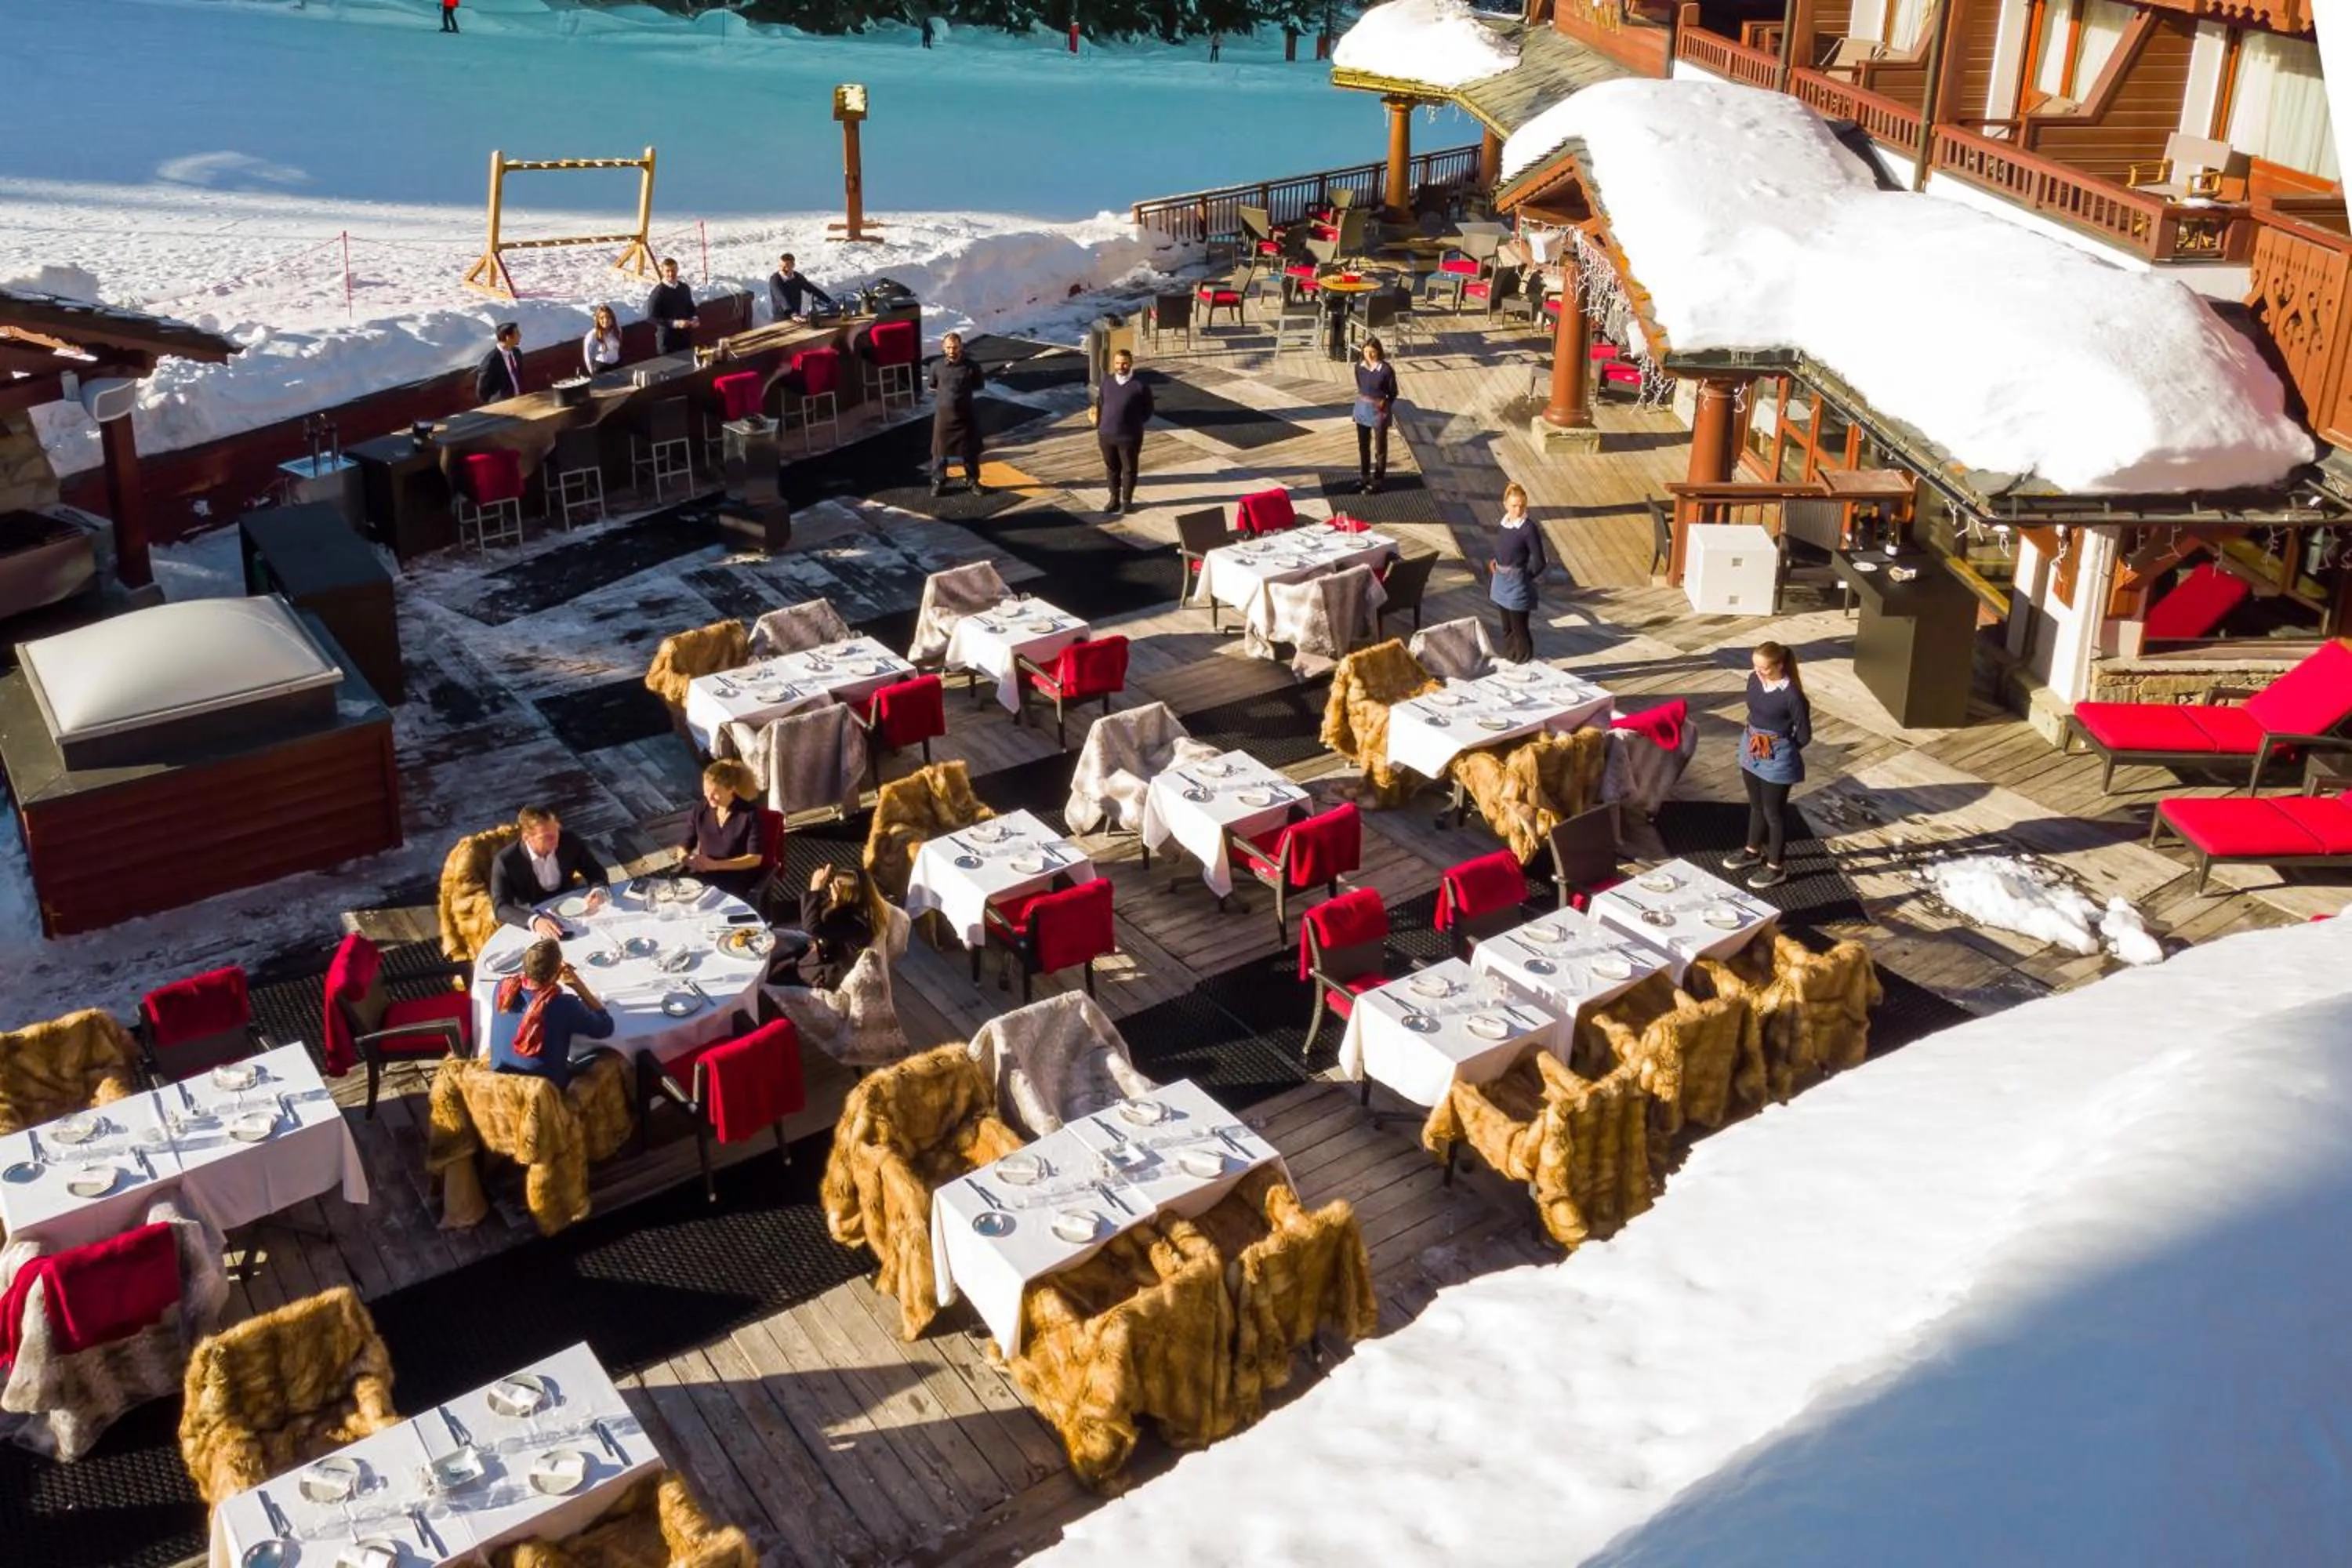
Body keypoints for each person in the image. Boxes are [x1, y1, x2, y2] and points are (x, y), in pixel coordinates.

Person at [1726, 640, 1810, 891]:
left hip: (1777, 753)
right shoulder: (1754, 680)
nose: (1758, 672)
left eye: (1764, 668)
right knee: (1756, 805)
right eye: (1756, 666)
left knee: (1774, 812)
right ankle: (1752, 851)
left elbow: (1804, 735)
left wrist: (1782, 748)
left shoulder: (1792, 696)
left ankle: (1776, 867)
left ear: (1780, 665)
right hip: (1751, 745)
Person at [488, 940, 615, 1093]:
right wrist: (578, 986)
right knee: (607, 1057)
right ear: (556, 974)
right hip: (544, 1093)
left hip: (502, 1085)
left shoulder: (502, 988)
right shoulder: (563, 1005)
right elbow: (605, 1027)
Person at [490, 805, 613, 939]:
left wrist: (598, 890)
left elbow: (594, 870)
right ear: (527, 838)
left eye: (556, 832)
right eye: (547, 837)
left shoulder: (569, 841)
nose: (556, 840)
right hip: (533, 917)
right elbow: (500, 907)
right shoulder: (506, 861)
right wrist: (534, 921)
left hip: (572, 909)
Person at [772, 864, 885, 986]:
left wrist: (815, 890)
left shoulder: (857, 924)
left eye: (835, 886)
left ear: (846, 893)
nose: (831, 886)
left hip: (824, 972)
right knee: (773, 935)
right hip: (818, 947)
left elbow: (812, 928)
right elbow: (811, 914)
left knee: (771, 983)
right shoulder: (849, 906)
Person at [680, 759, 769, 902]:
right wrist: (686, 859)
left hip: (735, 877)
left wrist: (716, 865)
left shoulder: (749, 815)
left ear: (731, 789)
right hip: (705, 875)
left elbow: (754, 859)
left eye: (715, 793)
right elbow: (684, 845)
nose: (709, 797)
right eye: (706, 791)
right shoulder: (701, 809)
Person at [1089, 347, 1153, 517]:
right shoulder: (1107, 382)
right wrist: (1100, 424)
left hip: (1129, 437)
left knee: (1129, 469)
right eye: (1117, 363)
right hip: (1106, 435)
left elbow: (1148, 410)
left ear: (1131, 363)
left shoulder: (1140, 386)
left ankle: (1127, 501)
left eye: (1124, 363)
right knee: (1112, 468)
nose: (1120, 367)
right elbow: (1101, 403)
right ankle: (1114, 498)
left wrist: (1133, 424)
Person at [1488, 481, 1547, 664]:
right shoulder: (1504, 524)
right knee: (1507, 628)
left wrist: (1524, 577)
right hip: (1500, 581)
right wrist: (1496, 562)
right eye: (1514, 506)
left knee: (1519, 629)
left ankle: (1523, 663)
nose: (1518, 510)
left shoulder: (1528, 529)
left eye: (1522, 506)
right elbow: (1506, 548)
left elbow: (1540, 561)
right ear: (1505, 504)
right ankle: (1509, 659)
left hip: (1517, 585)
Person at [927, 331, 989, 497]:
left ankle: (973, 481)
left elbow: (978, 385)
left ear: (961, 347)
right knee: (940, 453)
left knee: (970, 451)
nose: (951, 351)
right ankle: (938, 481)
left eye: (955, 347)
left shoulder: (972, 367)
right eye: (948, 348)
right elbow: (933, 385)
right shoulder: (936, 366)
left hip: (965, 416)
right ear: (943, 348)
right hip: (943, 417)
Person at [1352, 336, 1397, 495]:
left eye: (1372, 352)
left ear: (1379, 352)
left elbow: (1393, 392)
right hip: (1362, 407)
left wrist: (1384, 404)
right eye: (1366, 352)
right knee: (1363, 445)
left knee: (1380, 447)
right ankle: (1364, 476)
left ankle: (1378, 480)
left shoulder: (1386, 370)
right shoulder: (1359, 366)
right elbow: (1360, 385)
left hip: (1379, 410)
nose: (1369, 355)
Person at [645, 258, 699, 358]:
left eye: (673, 270)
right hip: (667, 341)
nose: (671, 274)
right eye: (668, 271)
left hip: (685, 338)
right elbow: (652, 318)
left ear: (677, 270)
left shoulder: (684, 288)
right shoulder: (658, 293)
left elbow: (690, 307)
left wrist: (695, 318)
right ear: (662, 272)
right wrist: (674, 323)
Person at [767, 253, 835, 324]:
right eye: (781, 266)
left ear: (793, 266)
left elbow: (813, 290)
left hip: (797, 316)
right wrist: (792, 314)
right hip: (782, 318)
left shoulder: (798, 277)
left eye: (786, 266)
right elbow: (781, 298)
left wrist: (830, 301)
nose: (783, 269)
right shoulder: (775, 280)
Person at [474, 321, 523, 405]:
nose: (520, 336)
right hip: (503, 405)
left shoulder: (516, 352)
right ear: (508, 337)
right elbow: (482, 391)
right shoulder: (491, 361)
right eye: (517, 333)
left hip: (520, 400)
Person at [582, 303, 623, 378]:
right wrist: (592, 373)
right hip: (601, 367)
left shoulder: (617, 331)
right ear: (598, 320)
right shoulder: (592, 335)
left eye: (608, 317)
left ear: (612, 318)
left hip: (616, 364)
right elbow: (587, 355)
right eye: (602, 318)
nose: (605, 320)